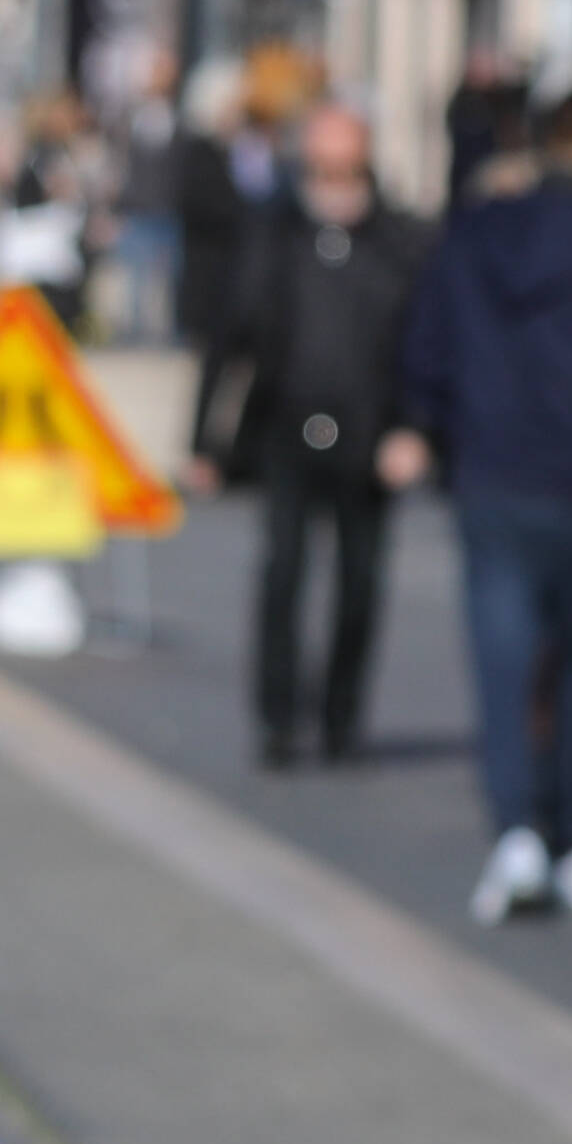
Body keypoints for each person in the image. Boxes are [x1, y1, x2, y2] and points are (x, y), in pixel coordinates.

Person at [397, 81, 572, 918]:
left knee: (504, 660)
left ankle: (516, 825)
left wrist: (440, 431)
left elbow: (427, 342)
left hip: (495, 476)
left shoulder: (478, 233)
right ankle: (569, 827)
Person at [213, 103, 429, 769]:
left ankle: (341, 717)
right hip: (286, 423)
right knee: (283, 573)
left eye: (346, 168)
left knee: (360, 582)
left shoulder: (402, 241)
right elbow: (234, 336)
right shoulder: (275, 231)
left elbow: (427, 345)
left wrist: (415, 429)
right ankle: (279, 717)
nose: (334, 184)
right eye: (322, 168)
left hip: (371, 433)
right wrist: (205, 441)